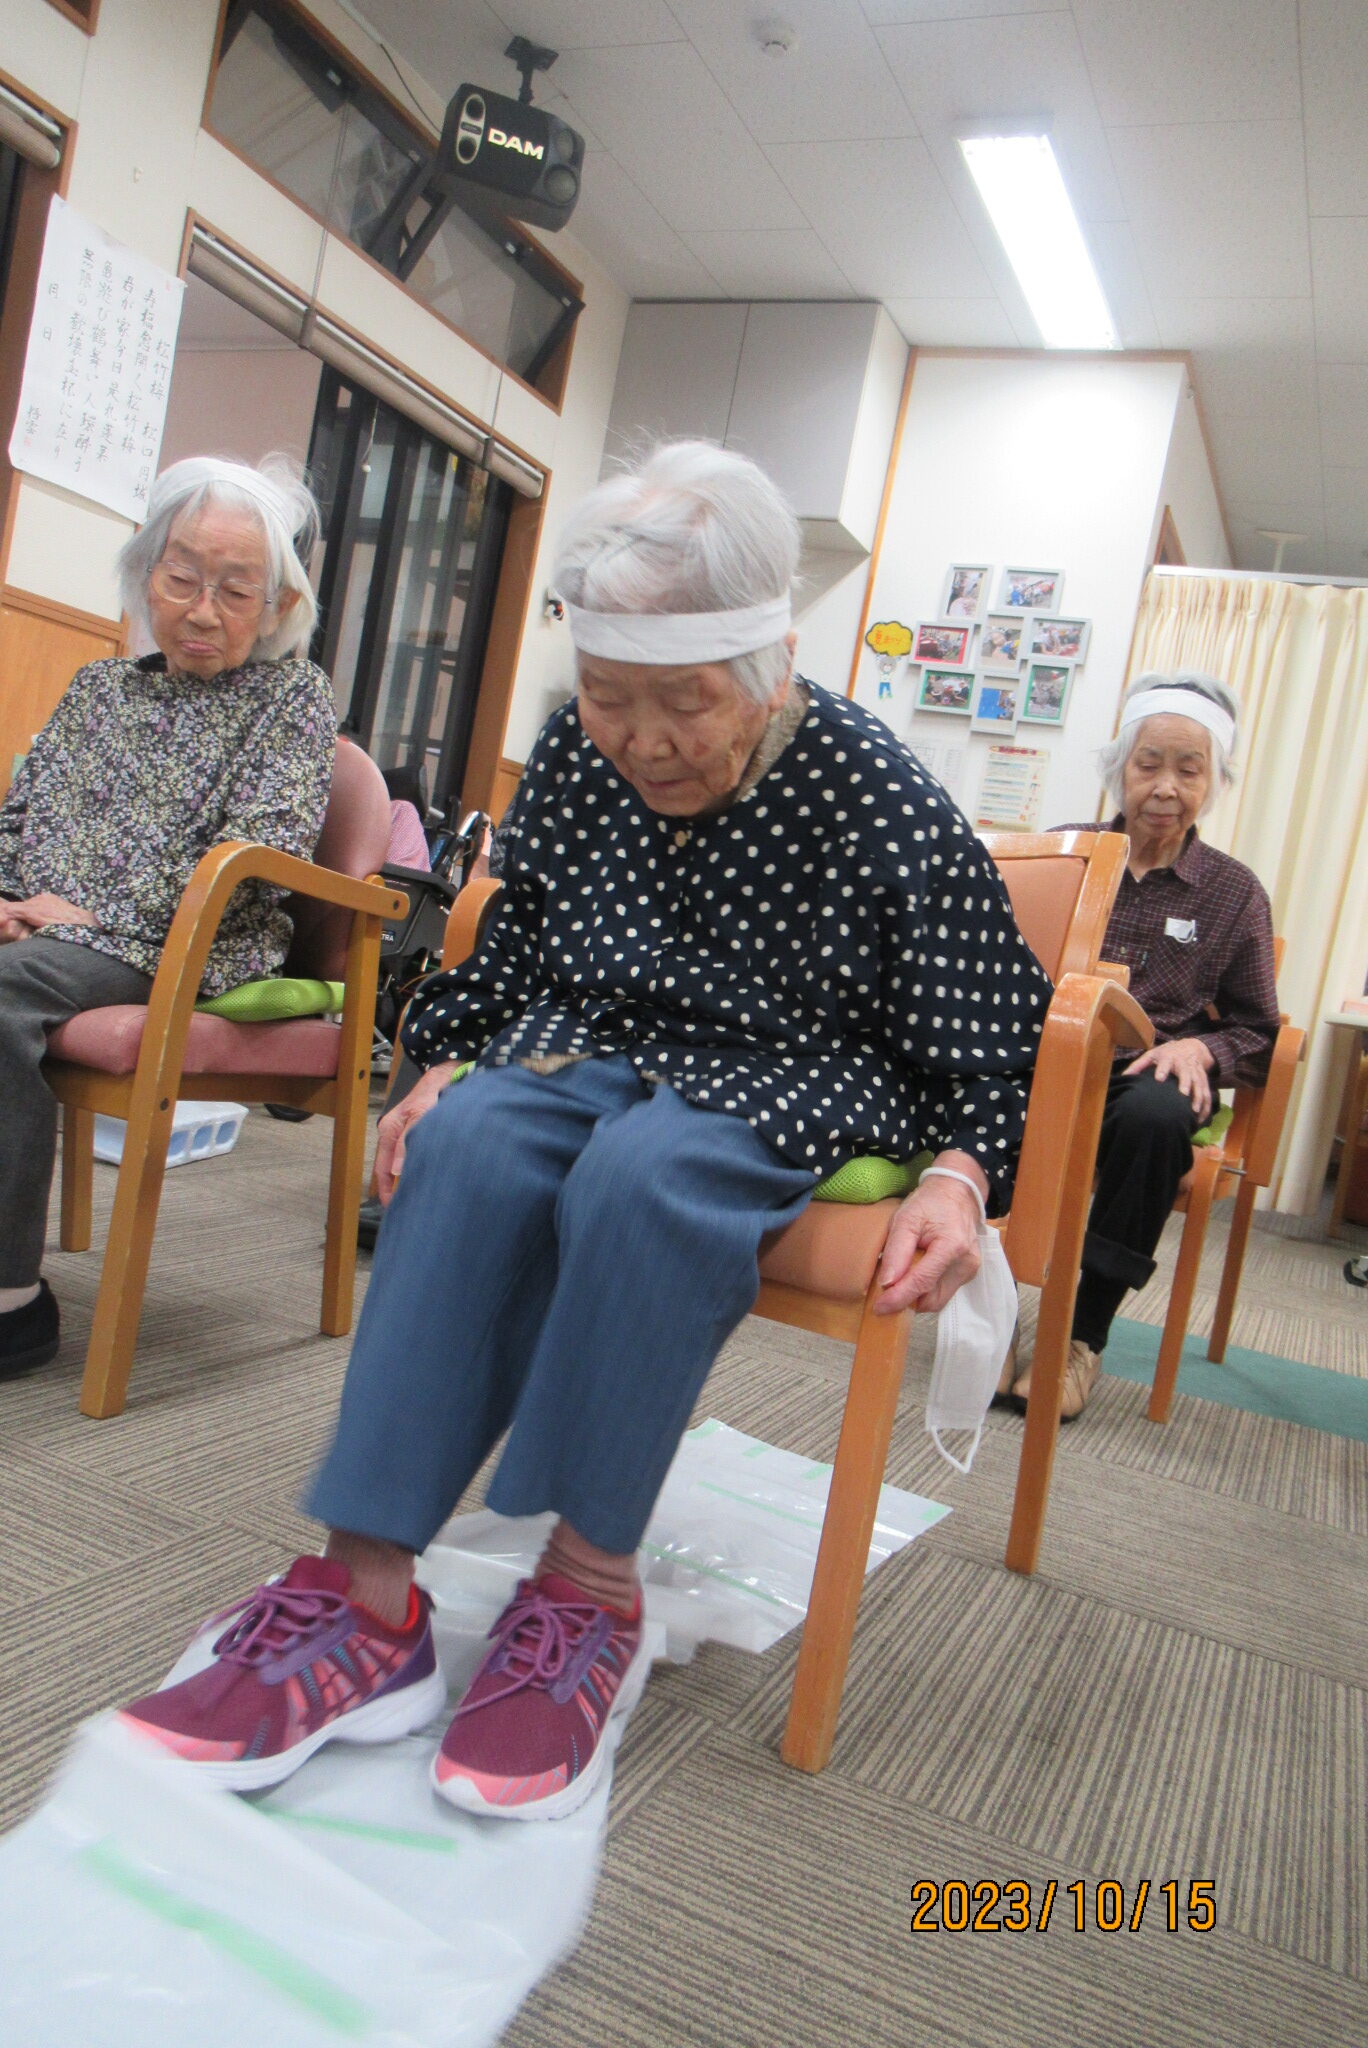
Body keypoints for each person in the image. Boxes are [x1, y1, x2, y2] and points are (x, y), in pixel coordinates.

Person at [118, 441, 1053, 1821]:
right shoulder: (574, 747)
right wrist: (447, 1060)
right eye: (612, 696)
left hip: (791, 1066)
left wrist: (964, 1177)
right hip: (594, 1036)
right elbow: (521, 940)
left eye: (686, 702)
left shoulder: (875, 791)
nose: (644, 740)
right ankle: (365, 1600)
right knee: (471, 1147)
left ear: (773, 665)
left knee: (646, 1175)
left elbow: (992, 1022)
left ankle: (588, 1589)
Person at [0, 456, 337, 1378]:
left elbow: (258, 853)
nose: (203, 611)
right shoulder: (98, 687)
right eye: (183, 578)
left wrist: (87, 918)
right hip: (48, 931)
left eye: (236, 590)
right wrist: (10, 902)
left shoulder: (291, 697)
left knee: (4, 994)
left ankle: (12, 1306)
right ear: (146, 572)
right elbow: (17, 819)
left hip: (181, 944)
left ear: (277, 606)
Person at [1001, 671, 1279, 1420]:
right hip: (1045, 1057)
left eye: (1189, 770)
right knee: (977, 1093)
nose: (1165, 787)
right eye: (1148, 763)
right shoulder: (1064, 854)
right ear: (1118, 767)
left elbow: (1258, 1029)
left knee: (1157, 1119)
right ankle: (992, 1317)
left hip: (1144, 1073)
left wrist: (1202, 1052)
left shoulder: (1233, 892)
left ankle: (1079, 1337)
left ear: (1214, 783)